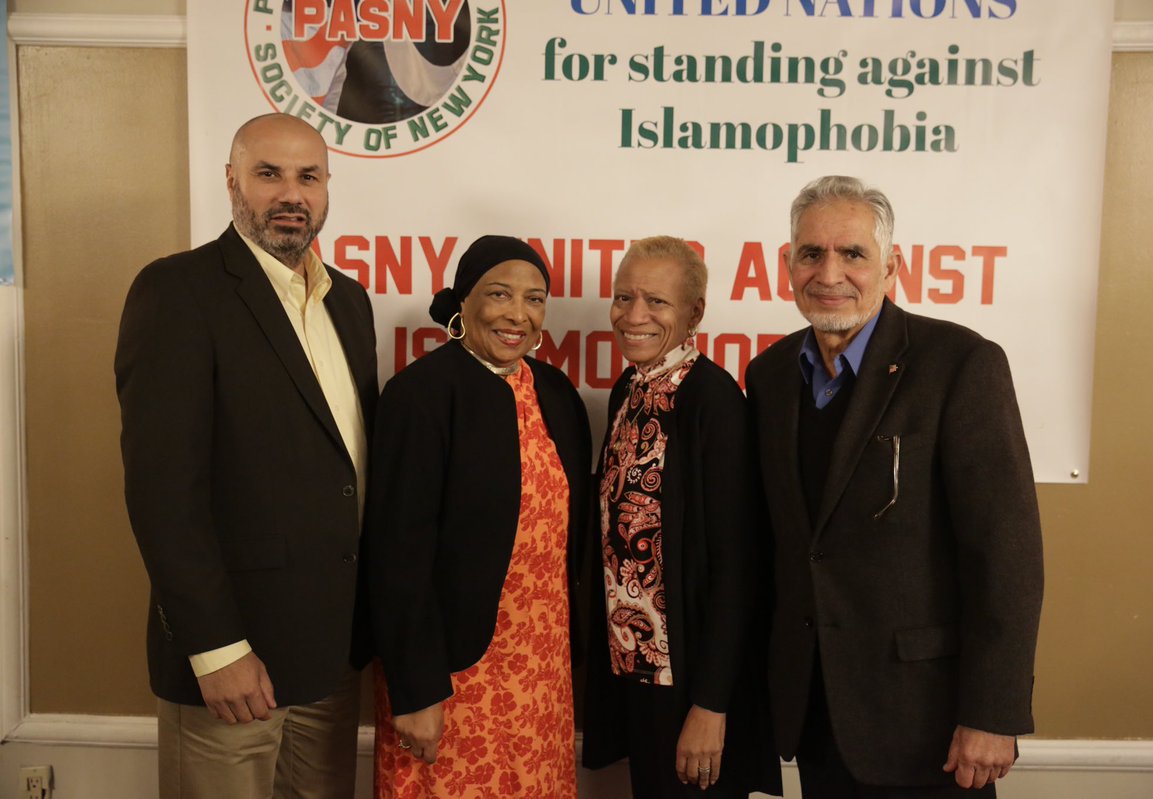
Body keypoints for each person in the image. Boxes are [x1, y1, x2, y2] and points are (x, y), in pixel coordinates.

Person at [744, 176, 1044, 797]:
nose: (830, 273)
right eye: (811, 253)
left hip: (928, 724)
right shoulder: (770, 376)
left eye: (853, 253)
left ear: (891, 267)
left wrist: (993, 712)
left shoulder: (960, 363)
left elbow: (1005, 555)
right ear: (787, 265)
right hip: (818, 716)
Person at [115, 113, 378, 799]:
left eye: (308, 176)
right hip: (232, 668)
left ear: (326, 188)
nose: (291, 194)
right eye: (269, 174)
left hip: (330, 662)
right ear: (233, 183)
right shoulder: (178, 292)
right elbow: (162, 493)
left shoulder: (349, 302)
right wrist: (218, 648)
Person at [363, 235, 591, 798]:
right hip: (451, 675)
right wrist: (416, 689)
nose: (519, 314)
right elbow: (396, 553)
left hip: (541, 672)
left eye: (535, 299)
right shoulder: (419, 395)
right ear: (463, 302)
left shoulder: (557, 392)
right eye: (499, 294)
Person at [581, 236, 782, 798]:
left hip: (692, 685)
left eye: (657, 302)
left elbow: (737, 568)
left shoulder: (712, 403)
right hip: (638, 678)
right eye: (623, 297)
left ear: (695, 312)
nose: (633, 315)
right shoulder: (627, 389)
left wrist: (710, 705)